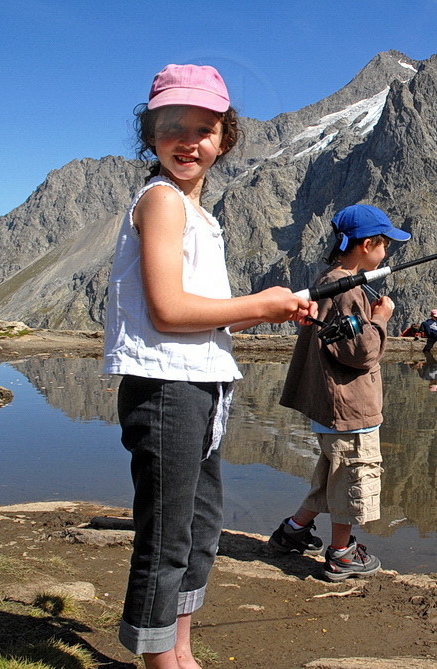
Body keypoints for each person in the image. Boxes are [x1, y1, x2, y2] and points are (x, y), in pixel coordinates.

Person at [103, 64, 316, 668]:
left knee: (200, 529)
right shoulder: (162, 202)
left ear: (225, 138)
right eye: (173, 126)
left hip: (201, 386)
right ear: (150, 134)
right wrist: (259, 304)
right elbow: (169, 311)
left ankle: (182, 650)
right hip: (165, 388)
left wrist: (275, 308)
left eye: (204, 129)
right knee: (166, 536)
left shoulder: (201, 216)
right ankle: (158, 661)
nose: (188, 141)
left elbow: (209, 318)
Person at [273, 203, 411, 582]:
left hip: (333, 408)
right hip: (349, 410)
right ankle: (341, 554)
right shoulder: (346, 291)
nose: (388, 250)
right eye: (385, 243)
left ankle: (293, 531)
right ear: (367, 245)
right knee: (353, 476)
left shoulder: (332, 281)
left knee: (330, 477)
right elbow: (361, 352)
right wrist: (381, 317)